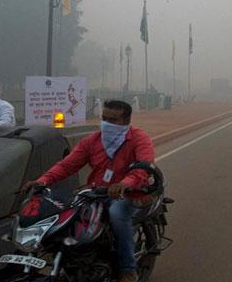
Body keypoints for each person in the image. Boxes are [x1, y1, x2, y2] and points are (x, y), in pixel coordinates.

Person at [20, 100, 155, 282]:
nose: (106, 124)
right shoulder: (92, 141)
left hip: (130, 193)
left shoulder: (139, 138)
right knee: (70, 216)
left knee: (117, 214)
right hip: (96, 192)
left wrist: (125, 183)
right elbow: (67, 165)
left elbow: (143, 167)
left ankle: (127, 268)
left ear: (126, 121)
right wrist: (43, 180)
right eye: (104, 118)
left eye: (113, 120)